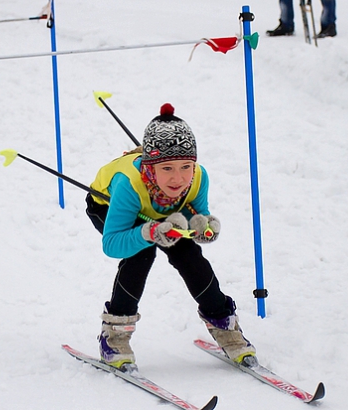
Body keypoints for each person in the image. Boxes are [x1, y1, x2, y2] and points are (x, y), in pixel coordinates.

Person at [85, 103, 255, 370]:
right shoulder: (129, 185)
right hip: (108, 205)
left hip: (163, 210)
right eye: (167, 168)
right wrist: (150, 232)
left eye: (186, 166)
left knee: (188, 254)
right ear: (151, 167)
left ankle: (224, 324)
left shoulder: (198, 177)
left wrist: (204, 226)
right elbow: (112, 243)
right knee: (140, 253)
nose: (178, 178)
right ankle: (114, 335)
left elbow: (197, 213)